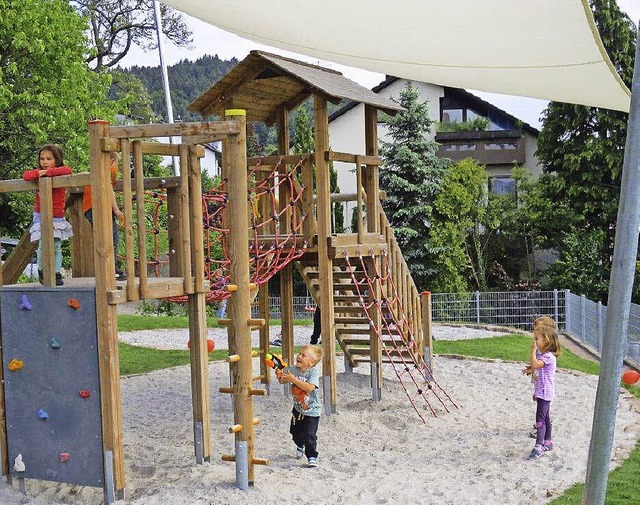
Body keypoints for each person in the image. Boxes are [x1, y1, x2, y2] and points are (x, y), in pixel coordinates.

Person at [23, 145, 73, 286]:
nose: (44, 162)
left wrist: (48, 173)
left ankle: (56, 272)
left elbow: (68, 170)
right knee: (42, 245)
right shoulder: (39, 172)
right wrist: (39, 173)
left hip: (56, 216)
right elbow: (26, 175)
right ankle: (42, 270)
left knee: (56, 245)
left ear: (57, 160)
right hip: (41, 214)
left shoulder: (60, 173)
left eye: (49, 159)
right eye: (42, 159)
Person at [276, 344, 323, 467]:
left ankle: (312, 456)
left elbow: (309, 387)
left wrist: (294, 380)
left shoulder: (313, 373)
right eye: (299, 354)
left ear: (311, 363)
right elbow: (282, 380)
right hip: (298, 409)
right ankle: (300, 444)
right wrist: (279, 373)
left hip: (312, 411)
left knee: (310, 435)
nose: (299, 356)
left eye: (303, 355)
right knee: (295, 432)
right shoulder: (293, 370)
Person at [82, 151, 126, 280]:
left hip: (91, 208)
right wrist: (117, 210)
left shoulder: (96, 171)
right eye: (117, 163)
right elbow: (110, 191)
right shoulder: (106, 171)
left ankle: (109, 269)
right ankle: (112, 270)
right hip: (99, 207)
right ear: (112, 161)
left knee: (105, 237)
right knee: (111, 238)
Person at [522, 316, 561, 460]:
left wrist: (532, 350)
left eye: (537, 339)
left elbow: (535, 364)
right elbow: (537, 368)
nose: (534, 341)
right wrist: (530, 370)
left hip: (545, 392)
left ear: (547, 341)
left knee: (540, 419)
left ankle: (539, 447)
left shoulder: (548, 357)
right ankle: (548, 441)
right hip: (542, 391)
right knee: (546, 417)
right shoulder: (545, 355)